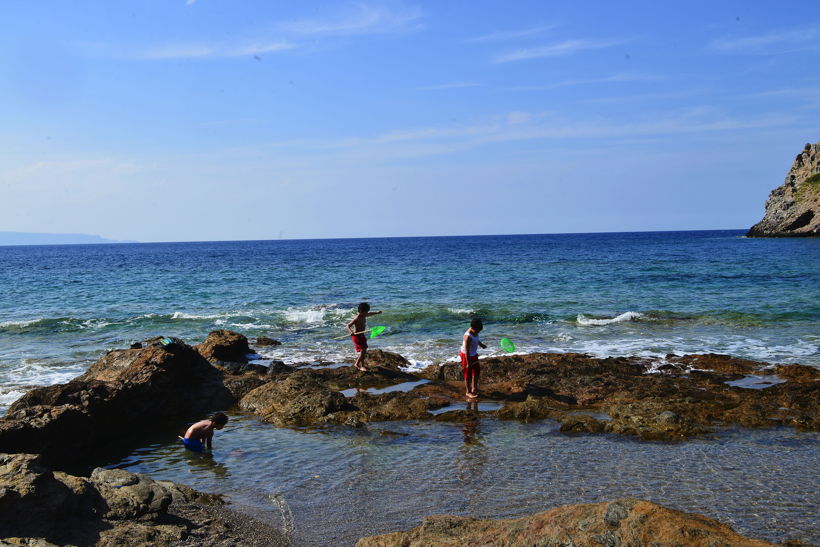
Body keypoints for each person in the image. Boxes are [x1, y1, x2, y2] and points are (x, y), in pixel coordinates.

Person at [346, 302, 382, 371]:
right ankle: (360, 365)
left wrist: (377, 312)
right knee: (363, 350)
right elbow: (347, 326)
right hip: (356, 336)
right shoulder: (356, 319)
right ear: (361, 312)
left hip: (362, 335)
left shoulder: (364, 315)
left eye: (367, 312)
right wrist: (351, 332)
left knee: (364, 350)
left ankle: (360, 364)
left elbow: (370, 314)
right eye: (366, 312)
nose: (367, 313)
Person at [460, 318, 486, 398]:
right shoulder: (468, 337)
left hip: (473, 354)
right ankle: (468, 392)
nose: (478, 332)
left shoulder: (475, 331)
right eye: (478, 331)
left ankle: (474, 388)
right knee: (468, 373)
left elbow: (477, 339)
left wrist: (481, 345)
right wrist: (468, 363)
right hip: (466, 355)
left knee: (477, 371)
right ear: (473, 328)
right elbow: (467, 351)